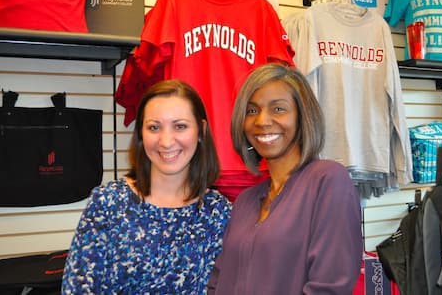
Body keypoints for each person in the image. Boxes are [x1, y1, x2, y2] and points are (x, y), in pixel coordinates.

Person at [62, 79, 232, 294]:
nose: (166, 141)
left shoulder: (219, 212)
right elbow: (77, 288)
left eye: (180, 126)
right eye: (154, 127)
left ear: (201, 130)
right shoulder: (109, 203)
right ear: (141, 133)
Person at [208, 63, 363, 294]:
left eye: (278, 109)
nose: (262, 121)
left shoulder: (328, 181)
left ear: (303, 116)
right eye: (252, 111)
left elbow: (330, 287)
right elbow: (218, 281)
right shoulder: (245, 201)